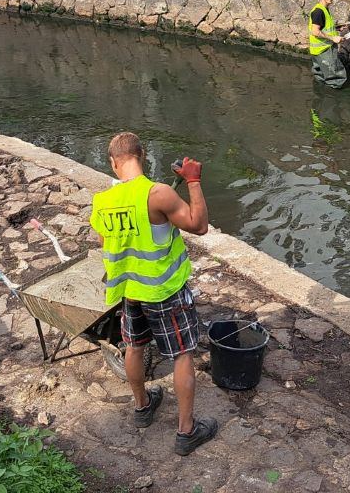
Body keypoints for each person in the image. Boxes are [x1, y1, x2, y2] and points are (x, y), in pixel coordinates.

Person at [89, 133, 218, 456]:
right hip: (164, 291)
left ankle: (142, 406)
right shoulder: (157, 194)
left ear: (113, 162)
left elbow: (106, 242)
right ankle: (186, 431)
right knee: (182, 354)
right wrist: (193, 181)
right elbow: (198, 225)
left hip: (130, 291)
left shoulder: (103, 202)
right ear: (142, 156)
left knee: (133, 347)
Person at [308, 0, 347, 89]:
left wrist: (337, 28)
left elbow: (323, 27)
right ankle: (335, 100)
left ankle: (319, 98)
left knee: (320, 75)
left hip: (317, 50)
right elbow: (315, 32)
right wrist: (333, 38)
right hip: (325, 50)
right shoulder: (318, 11)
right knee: (336, 77)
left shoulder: (323, 9)